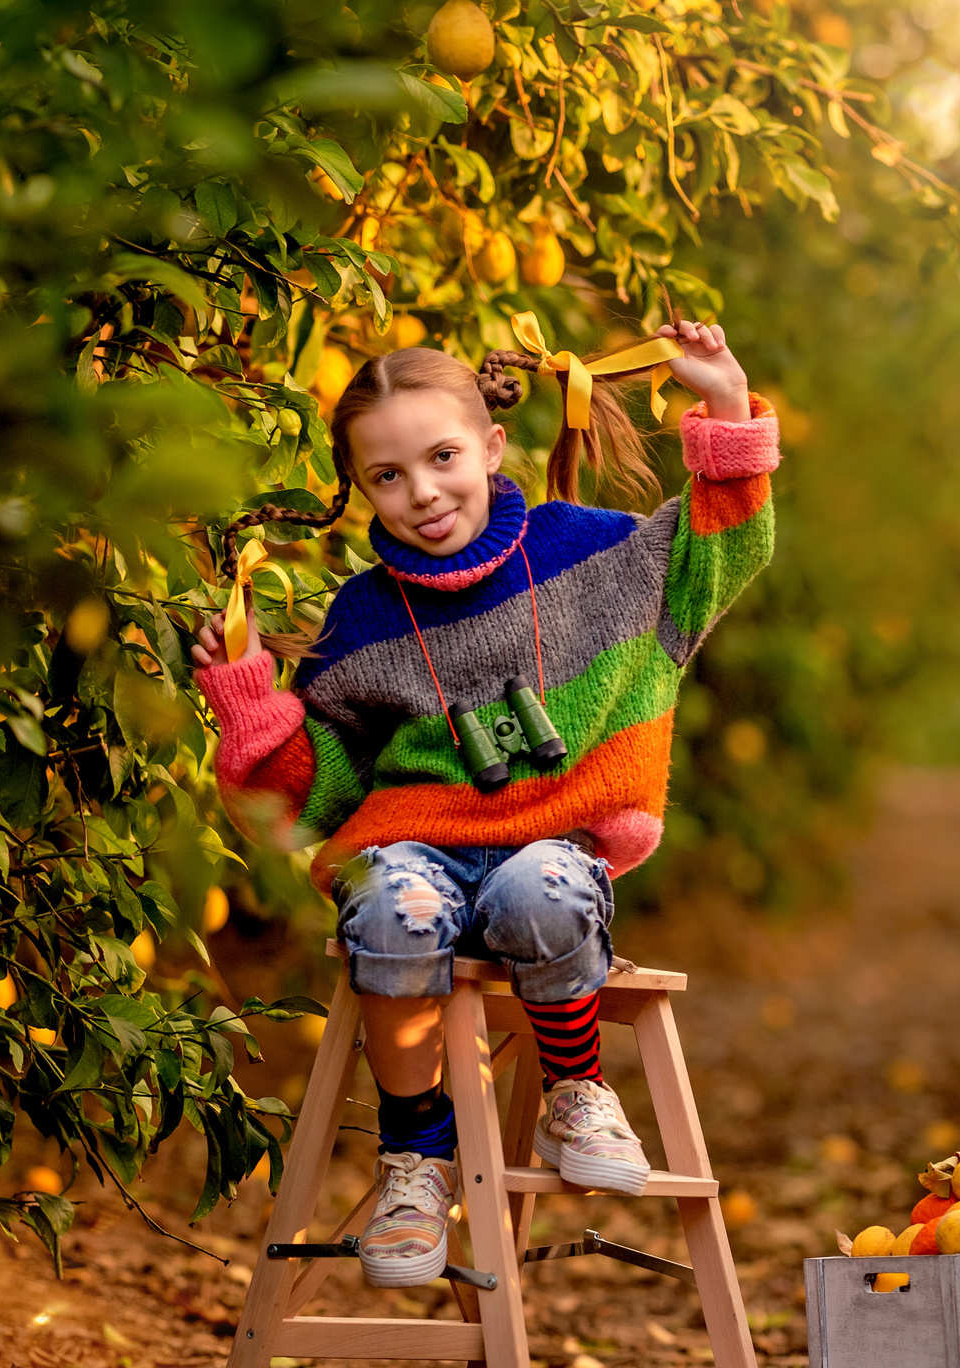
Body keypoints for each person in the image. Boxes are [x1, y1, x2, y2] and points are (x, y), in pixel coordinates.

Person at [188, 319, 778, 1288]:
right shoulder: (365, 617)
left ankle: (575, 1090)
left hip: (548, 842)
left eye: (443, 457)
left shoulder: (588, 553)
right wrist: (249, 696)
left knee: (545, 887)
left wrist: (721, 400)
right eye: (387, 475)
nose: (421, 492)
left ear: (492, 448)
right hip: (415, 846)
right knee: (389, 902)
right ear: (360, 490)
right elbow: (318, 793)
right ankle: (415, 1159)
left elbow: (716, 554)